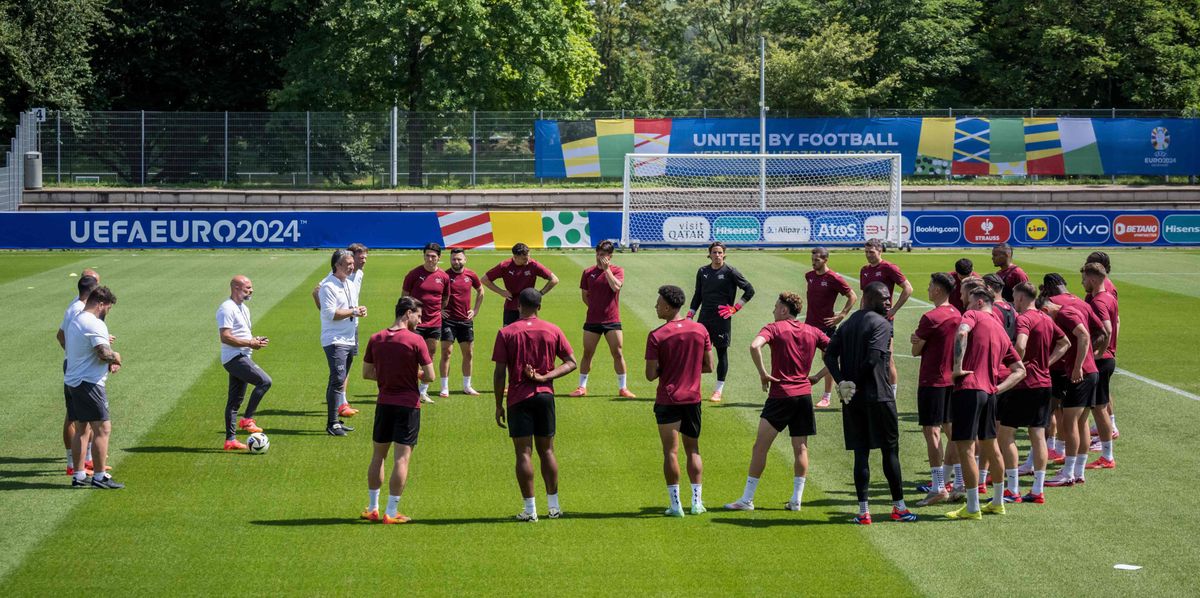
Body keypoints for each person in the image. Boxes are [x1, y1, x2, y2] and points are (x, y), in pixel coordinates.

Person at [823, 282, 917, 525]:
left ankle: (864, 512)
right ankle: (899, 507)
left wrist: (844, 382)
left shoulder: (847, 324)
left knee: (861, 454)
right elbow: (874, 359)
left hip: (852, 399)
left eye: (889, 298)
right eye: (884, 298)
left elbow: (829, 355)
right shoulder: (882, 324)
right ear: (868, 298)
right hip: (879, 397)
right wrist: (850, 382)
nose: (888, 302)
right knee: (890, 452)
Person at [725, 292, 828, 512]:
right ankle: (796, 500)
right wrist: (818, 377)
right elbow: (839, 353)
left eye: (775, 307)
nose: (773, 311)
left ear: (783, 310)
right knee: (800, 448)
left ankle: (747, 499)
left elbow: (755, 346)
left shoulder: (773, 328)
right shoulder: (813, 331)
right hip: (804, 396)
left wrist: (763, 373)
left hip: (781, 395)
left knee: (760, 447)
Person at [492, 288, 577, 522]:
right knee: (547, 450)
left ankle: (530, 511)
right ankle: (554, 508)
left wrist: (498, 404)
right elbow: (571, 363)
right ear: (539, 306)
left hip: (519, 398)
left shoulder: (506, 332)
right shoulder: (552, 330)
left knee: (523, 454)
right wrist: (545, 376)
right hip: (545, 396)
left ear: (518, 306)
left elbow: (499, 373)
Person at [945, 287, 1026, 520]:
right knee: (991, 447)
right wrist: (998, 388)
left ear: (980, 302)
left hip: (969, 389)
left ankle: (972, 507)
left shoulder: (973, 316)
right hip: (989, 393)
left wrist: (958, 367)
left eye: (969, 301)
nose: (966, 305)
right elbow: (1019, 370)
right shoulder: (1001, 331)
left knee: (966, 449)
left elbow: (961, 333)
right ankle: (998, 502)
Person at [360, 297, 435, 524]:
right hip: (408, 406)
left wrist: (388, 375)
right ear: (407, 313)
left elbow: (367, 373)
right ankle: (391, 511)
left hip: (384, 403)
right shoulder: (416, 340)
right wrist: (414, 375)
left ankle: (373, 508)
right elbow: (430, 376)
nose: (420, 321)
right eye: (418, 316)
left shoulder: (376, 338)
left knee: (378, 456)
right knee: (401, 460)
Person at [647, 285, 713, 517]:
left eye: (658, 302)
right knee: (693, 450)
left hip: (668, 399)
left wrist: (668, 368)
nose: (655, 306)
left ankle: (675, 506)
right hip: (693, 399)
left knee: (670, 453)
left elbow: (650, 374)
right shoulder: (700, 330)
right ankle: (696, 502)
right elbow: (709, 366)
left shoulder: (657, 335)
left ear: (667, 306)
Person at [1003, 282, 1069, 504]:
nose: (1013, 301)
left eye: (1014, 296)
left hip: (1024, 385)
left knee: (1005, 434)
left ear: (1021, 298)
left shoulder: (1025, 319)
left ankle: (1012, 489)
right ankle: (1038, 489)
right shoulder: (1045, 318)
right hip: (1044, 383)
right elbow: (1065, 343)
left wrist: (1015, 364)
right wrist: (1045, 364)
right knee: (1038, 435)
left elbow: (1020, 345)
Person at [65, 286, 124, 489]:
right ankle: (100, 477)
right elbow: (103, 353)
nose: (107, 311)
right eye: (108, 307)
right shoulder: (93, 323)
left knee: (82, 428)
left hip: (74, 380)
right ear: (100, 304)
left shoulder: (77, 320)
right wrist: (116, 357)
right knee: (103, 428)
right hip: (89, 384)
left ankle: (79, 475)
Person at [910, 273, 962, 507]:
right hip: (952, 380)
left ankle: (938, 486)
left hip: (933, 381)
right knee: (953, 432)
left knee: (932, 433)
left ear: (939, 290)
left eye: (931, 286)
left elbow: (915, 350)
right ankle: (960, 482)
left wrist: (917, 340)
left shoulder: (931, 317)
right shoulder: (957, 314)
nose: (928, 289)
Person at [1039, 292, 1098, 488]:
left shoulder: (1064, 314)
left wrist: (1077, 366)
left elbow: (1084, 335)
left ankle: (1068, 473)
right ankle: (1078, 471)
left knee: (1070, 423)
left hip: (1082, 375)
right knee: (1081, 423)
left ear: (1046, 310)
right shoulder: (1070, 311)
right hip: (1090, 373)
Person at [688, 241, 755, 403]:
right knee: (697, 353)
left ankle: (718, 390)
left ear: (724, 254)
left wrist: (735, 308)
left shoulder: (731, 271)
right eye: (714, 253)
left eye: (720, 253)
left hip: (721, 319)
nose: (717, 255)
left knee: (721, 353)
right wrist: (690, 314)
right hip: (703, 318)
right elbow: (698, 294)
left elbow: (750, 290)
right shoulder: (702, 271)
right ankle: (692, 387)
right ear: (709, 254)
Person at [570, 240, 635, 398]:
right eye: (598, 254)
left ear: (610, 256)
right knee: (587, 353)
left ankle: (623, 388)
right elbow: (585, 296)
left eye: (603, 255)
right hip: (592, 320)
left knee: (618, 353)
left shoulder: (617, 270)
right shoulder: (587, 272)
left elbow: (616, 287)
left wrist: (607, 270)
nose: (599, 258)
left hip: (612, 320)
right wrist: (595, 308)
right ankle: (581, 387)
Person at [217, 275, 272, 451]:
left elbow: (241, 333)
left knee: (234, 401)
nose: (251, 290)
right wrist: (250, 343)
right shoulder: (226, 308)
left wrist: (254, 340)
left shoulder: (243, 308)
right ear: (236, 288)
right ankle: (247, 420)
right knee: (264, 381)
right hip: (234, 357)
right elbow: (225, 337)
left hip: (242, 355)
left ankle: (230, 440)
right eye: (248, 287)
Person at [313, 244, 369, 418]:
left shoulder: (355, 275)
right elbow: (316, 291)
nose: (363, 261)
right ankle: (338, 410)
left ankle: (342, 403)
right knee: (338, 374)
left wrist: (355, 311)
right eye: (360, 258)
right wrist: (329, 314)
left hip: (352, 327)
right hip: (337, 333)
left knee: (346, 368)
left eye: (364, 258)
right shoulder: (332, 280)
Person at [58, 271, 101, 476]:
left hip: (77, 366)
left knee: (83, 416)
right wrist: (76, 356)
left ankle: (87, 461)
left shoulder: (75, 307)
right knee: (75, 417)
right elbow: (62, 336)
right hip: (77, 369)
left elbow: (61, 335)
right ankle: (73, 464)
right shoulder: (78, 310)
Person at [859, 238, 913, 398]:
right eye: (866, 252)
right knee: (867, 354)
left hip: (883, 320)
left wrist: (893, 310)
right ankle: (871, 389)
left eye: (872, 252)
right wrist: (861, 313)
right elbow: (864, 295)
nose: (868, 255)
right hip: (867, 319)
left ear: (880, 251)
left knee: (887, 356)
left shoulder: (889, 268)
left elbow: (908, 288)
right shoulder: (864, 270)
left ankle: (892, 395)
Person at [805, 247, 856, 407]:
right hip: (809, 326)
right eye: (812, 260)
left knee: (829, 360)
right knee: (803, 359)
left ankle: (826, 397)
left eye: (817, 260)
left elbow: (852, 296)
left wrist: (841, 315)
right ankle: (800, 393)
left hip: (826, 326)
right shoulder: (810, 276)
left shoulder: (834, 278)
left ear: (825, 260)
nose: (814, 263)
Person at [402, 242, 451, 403]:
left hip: (434, 323)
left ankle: (423, 391)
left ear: (439, 258)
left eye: (433, 256)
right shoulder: (414, 274)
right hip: (415, 324)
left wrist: (438, 310)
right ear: (424, 256)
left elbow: (445, 298)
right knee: (411, 357)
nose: (430, 259)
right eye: (427, 256)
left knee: (429, 356)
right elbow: (404, 297)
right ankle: (410, 390)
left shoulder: (443, 277)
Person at [1082, 262, 1118, 469]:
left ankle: (1107, 456)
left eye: (1085, 279)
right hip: (1107, 358)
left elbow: (1107, 329)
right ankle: (1106, 455)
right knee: (1099, 406)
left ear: (1093, 280)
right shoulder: (1109, 297)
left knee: (1098, 408)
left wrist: (1098, 353)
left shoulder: (1098, 302)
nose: (1083, 283)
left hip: (1102, 360)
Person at [439, 248, 485, 397]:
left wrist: (476, 310)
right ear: (450, 260)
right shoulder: (444, 275)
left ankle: (467, 386)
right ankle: (444, 387)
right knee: (446, 353)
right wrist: (439, 310)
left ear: (465, 260)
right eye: (454, 259)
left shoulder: (471, 275)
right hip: (448, 321)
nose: (456, 262)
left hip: (465, 321)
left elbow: (480, 291)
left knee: (468, 354)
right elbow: (434, 293)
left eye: (459, 259)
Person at [483, 243, 559, 326]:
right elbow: (484, 279)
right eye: (524, 259)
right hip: (511, 306)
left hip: (528, 308)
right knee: (508, 334)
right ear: (515, 257)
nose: (527, 262)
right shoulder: (504, 266)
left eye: (528, 257)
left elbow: (554, 279)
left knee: (529, 334)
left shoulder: (533, 264)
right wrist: (501, 292)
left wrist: (540, 293)